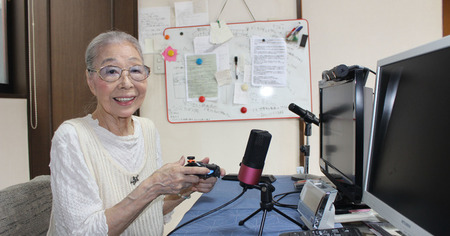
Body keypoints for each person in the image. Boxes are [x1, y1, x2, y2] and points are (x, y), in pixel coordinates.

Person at [47, 31, 225, 235]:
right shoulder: (71, 137)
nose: (126, 83)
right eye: (111, 71)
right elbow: (83, 232)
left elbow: (151, 213)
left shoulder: (147, 129)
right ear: (90, 80)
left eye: (135, 70)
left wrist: (187, 187)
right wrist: (153, 186)